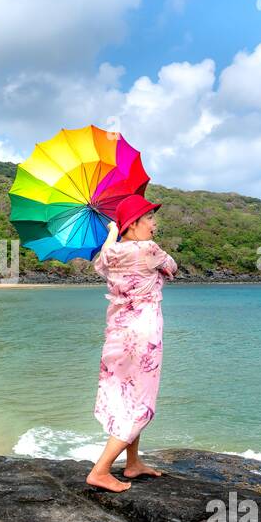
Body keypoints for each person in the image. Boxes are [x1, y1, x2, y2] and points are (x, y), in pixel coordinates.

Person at [86, 194, 178, 492]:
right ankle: (100, 470)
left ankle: (132, 462)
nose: (154, 224)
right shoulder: (149, 250)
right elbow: (172, 268)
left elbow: (104, 259)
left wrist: (113, 232)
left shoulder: (108, 255)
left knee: (127, 394)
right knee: (140, 402)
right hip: (143, 335)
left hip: (117, 335)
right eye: (149, 218)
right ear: (133, 223)